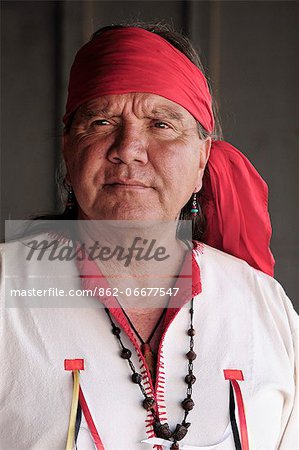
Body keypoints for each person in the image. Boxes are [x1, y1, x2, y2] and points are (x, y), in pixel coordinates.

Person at [0, 22, 298, 450]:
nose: (129, 148)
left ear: (202, 160)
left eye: (161, 125)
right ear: (68, 149)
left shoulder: (264, 307)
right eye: (101, 121)